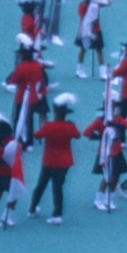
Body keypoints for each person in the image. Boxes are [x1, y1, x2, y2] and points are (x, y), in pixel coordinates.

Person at [27, 93, 79, 223]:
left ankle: (32, 209)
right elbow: (77, 135)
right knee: (58, 188)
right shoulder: (70, 126)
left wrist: (44, 125)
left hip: (49, 161)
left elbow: (37, 136)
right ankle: (57, 214)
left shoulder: (48, 126)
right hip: (64, 162)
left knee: (40, 186)